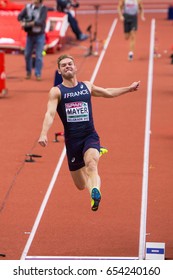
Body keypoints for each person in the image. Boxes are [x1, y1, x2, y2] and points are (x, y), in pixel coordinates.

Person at [38, 54, 140, 211]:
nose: (67, 66)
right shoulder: (57, 92)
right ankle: (95, 167)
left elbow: (108, 92)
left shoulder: (86, 86)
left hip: (89, 135)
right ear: (59, 71)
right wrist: (44, 133)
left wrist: (129, 88)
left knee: (91, 165)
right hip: (73, 141)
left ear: (75, 67)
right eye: (63, 65)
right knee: (80, 184)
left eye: (70, 64)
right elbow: (50, 114)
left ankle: (95, 192)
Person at [17, 0, 47, 80]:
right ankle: (28, 72)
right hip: (30, 35)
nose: (35, 3)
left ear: (40, 2)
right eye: (34, 2)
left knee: (39, 55)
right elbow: (19, 16)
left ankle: (38, 73)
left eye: (37, 2)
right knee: (27, 54)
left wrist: (30, 23)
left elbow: (41, 21)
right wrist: (22, 22)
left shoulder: (43, 9)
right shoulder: (28, 7)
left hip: (40, 35)